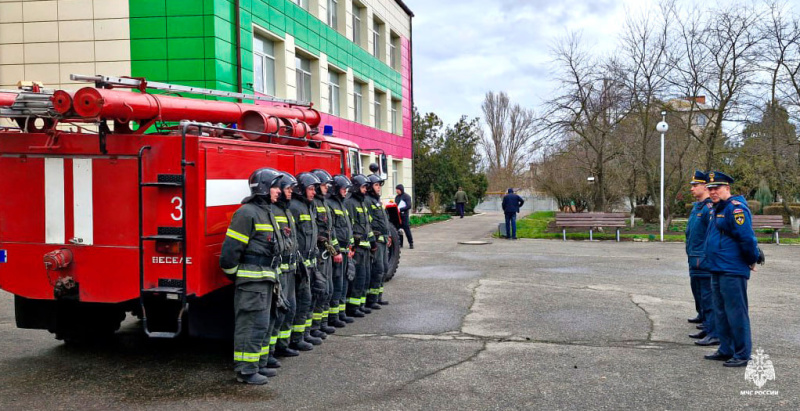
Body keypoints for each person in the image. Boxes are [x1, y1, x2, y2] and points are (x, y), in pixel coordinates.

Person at [219, 168, 285, 385]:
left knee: (262, 324)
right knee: (250, 325)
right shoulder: (246, 213)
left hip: (265, 280)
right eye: (275, 186)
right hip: (252, 282)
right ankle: (246, 371)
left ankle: (258, 364)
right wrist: (238, 277)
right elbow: (229, 254)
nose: (279, 191)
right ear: (264, 188)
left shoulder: (267, 211)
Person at [702, 171, 763, 367]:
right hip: (717, 267)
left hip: (732, 269)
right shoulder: (717, 208)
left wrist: (751, 260)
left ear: (727, 188)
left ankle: (742, 354)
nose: (712, 192)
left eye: (716, 188)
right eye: (710, 188)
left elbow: (747, 239)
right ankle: (726, 349)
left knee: (736, 312)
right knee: (721, 312)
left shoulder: (736, 210)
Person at [272, 173, 314, 357]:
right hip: (280, 271)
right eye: (287, 188)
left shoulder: (288, 210)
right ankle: (275, 349)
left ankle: (285, 343)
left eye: (291, 189)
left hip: (293, 267)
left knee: (292, 308)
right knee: (281, 310)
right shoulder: (275, 211)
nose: (290, 191)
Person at [290, 173, 328, 346]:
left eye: (314, 189)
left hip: (311, 263)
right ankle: (297, 339)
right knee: (302, 300)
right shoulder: (295, 207)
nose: (314, 192)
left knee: (310, 299)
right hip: (301, 266)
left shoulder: (310, 206)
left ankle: (304, 334)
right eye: (310, 189)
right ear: (301, 189)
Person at [685, 171, 718, 347]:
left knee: (708, 296)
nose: (692, 188)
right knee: (700, 294)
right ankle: (706, 324)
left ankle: (713, 331)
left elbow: (710, 235)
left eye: (695, 185)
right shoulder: (698, 207)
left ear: (704, 186)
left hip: (703, 259)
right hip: (694, 257)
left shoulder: (708, 208)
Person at [310, 169, 343, 330]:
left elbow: (331, 230)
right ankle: (316, 327)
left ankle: (322, 324)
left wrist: (335, 249)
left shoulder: (324, 202)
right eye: (323, 185)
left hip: (327, 253)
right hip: (320, 255)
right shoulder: (314, 204)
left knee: (328, 289)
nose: (326, 188)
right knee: (321, 290)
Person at [327, 174, 356, 325]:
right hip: (339, 253)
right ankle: (333, 317)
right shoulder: (330, 204)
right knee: (337, 284)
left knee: (344, 284)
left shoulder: (342, 205)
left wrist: (350, 246)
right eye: (344, 189)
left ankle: (341, 313)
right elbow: (332, 231)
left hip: (346, 251)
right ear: (336, 189)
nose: (346, 191)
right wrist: (336, 250)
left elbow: (347, 228)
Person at [346, 174, 374, 317]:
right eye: (363, 187)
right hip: (357, 249)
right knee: (358, 278)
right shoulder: (350, 203)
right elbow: (348, 226)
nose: (365, 190)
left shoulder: (362, 203)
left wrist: (373, 240)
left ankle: (360, 304)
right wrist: (352, 244)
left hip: (366, 248)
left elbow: (367, 225)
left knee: (365, 278)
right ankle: (353, 308)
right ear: (356, 187)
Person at [366, 174, 391, 308]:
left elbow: (384, 220)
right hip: (376, 241)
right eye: (376, 185)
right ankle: (372, 299)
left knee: (384, 269)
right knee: (377, 269)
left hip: (384, 240)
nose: (379, 188)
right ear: (370, 187)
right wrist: (373, 240)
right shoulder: (367, 201)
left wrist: (388, 236)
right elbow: (368, 223)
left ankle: (379, 296)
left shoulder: (377, 201)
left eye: (379, 185)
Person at [395, 184, 413, 249]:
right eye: (396, 189)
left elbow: (409, 206)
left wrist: (400, 209)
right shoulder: (397, 197)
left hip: (404, 216)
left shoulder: (407, 196)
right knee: (398, 230)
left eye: (398, 189)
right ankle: (400, 244)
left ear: (401, 189)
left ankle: (411, 243)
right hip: (398, 216)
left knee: (407, 230)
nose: (397, 191)